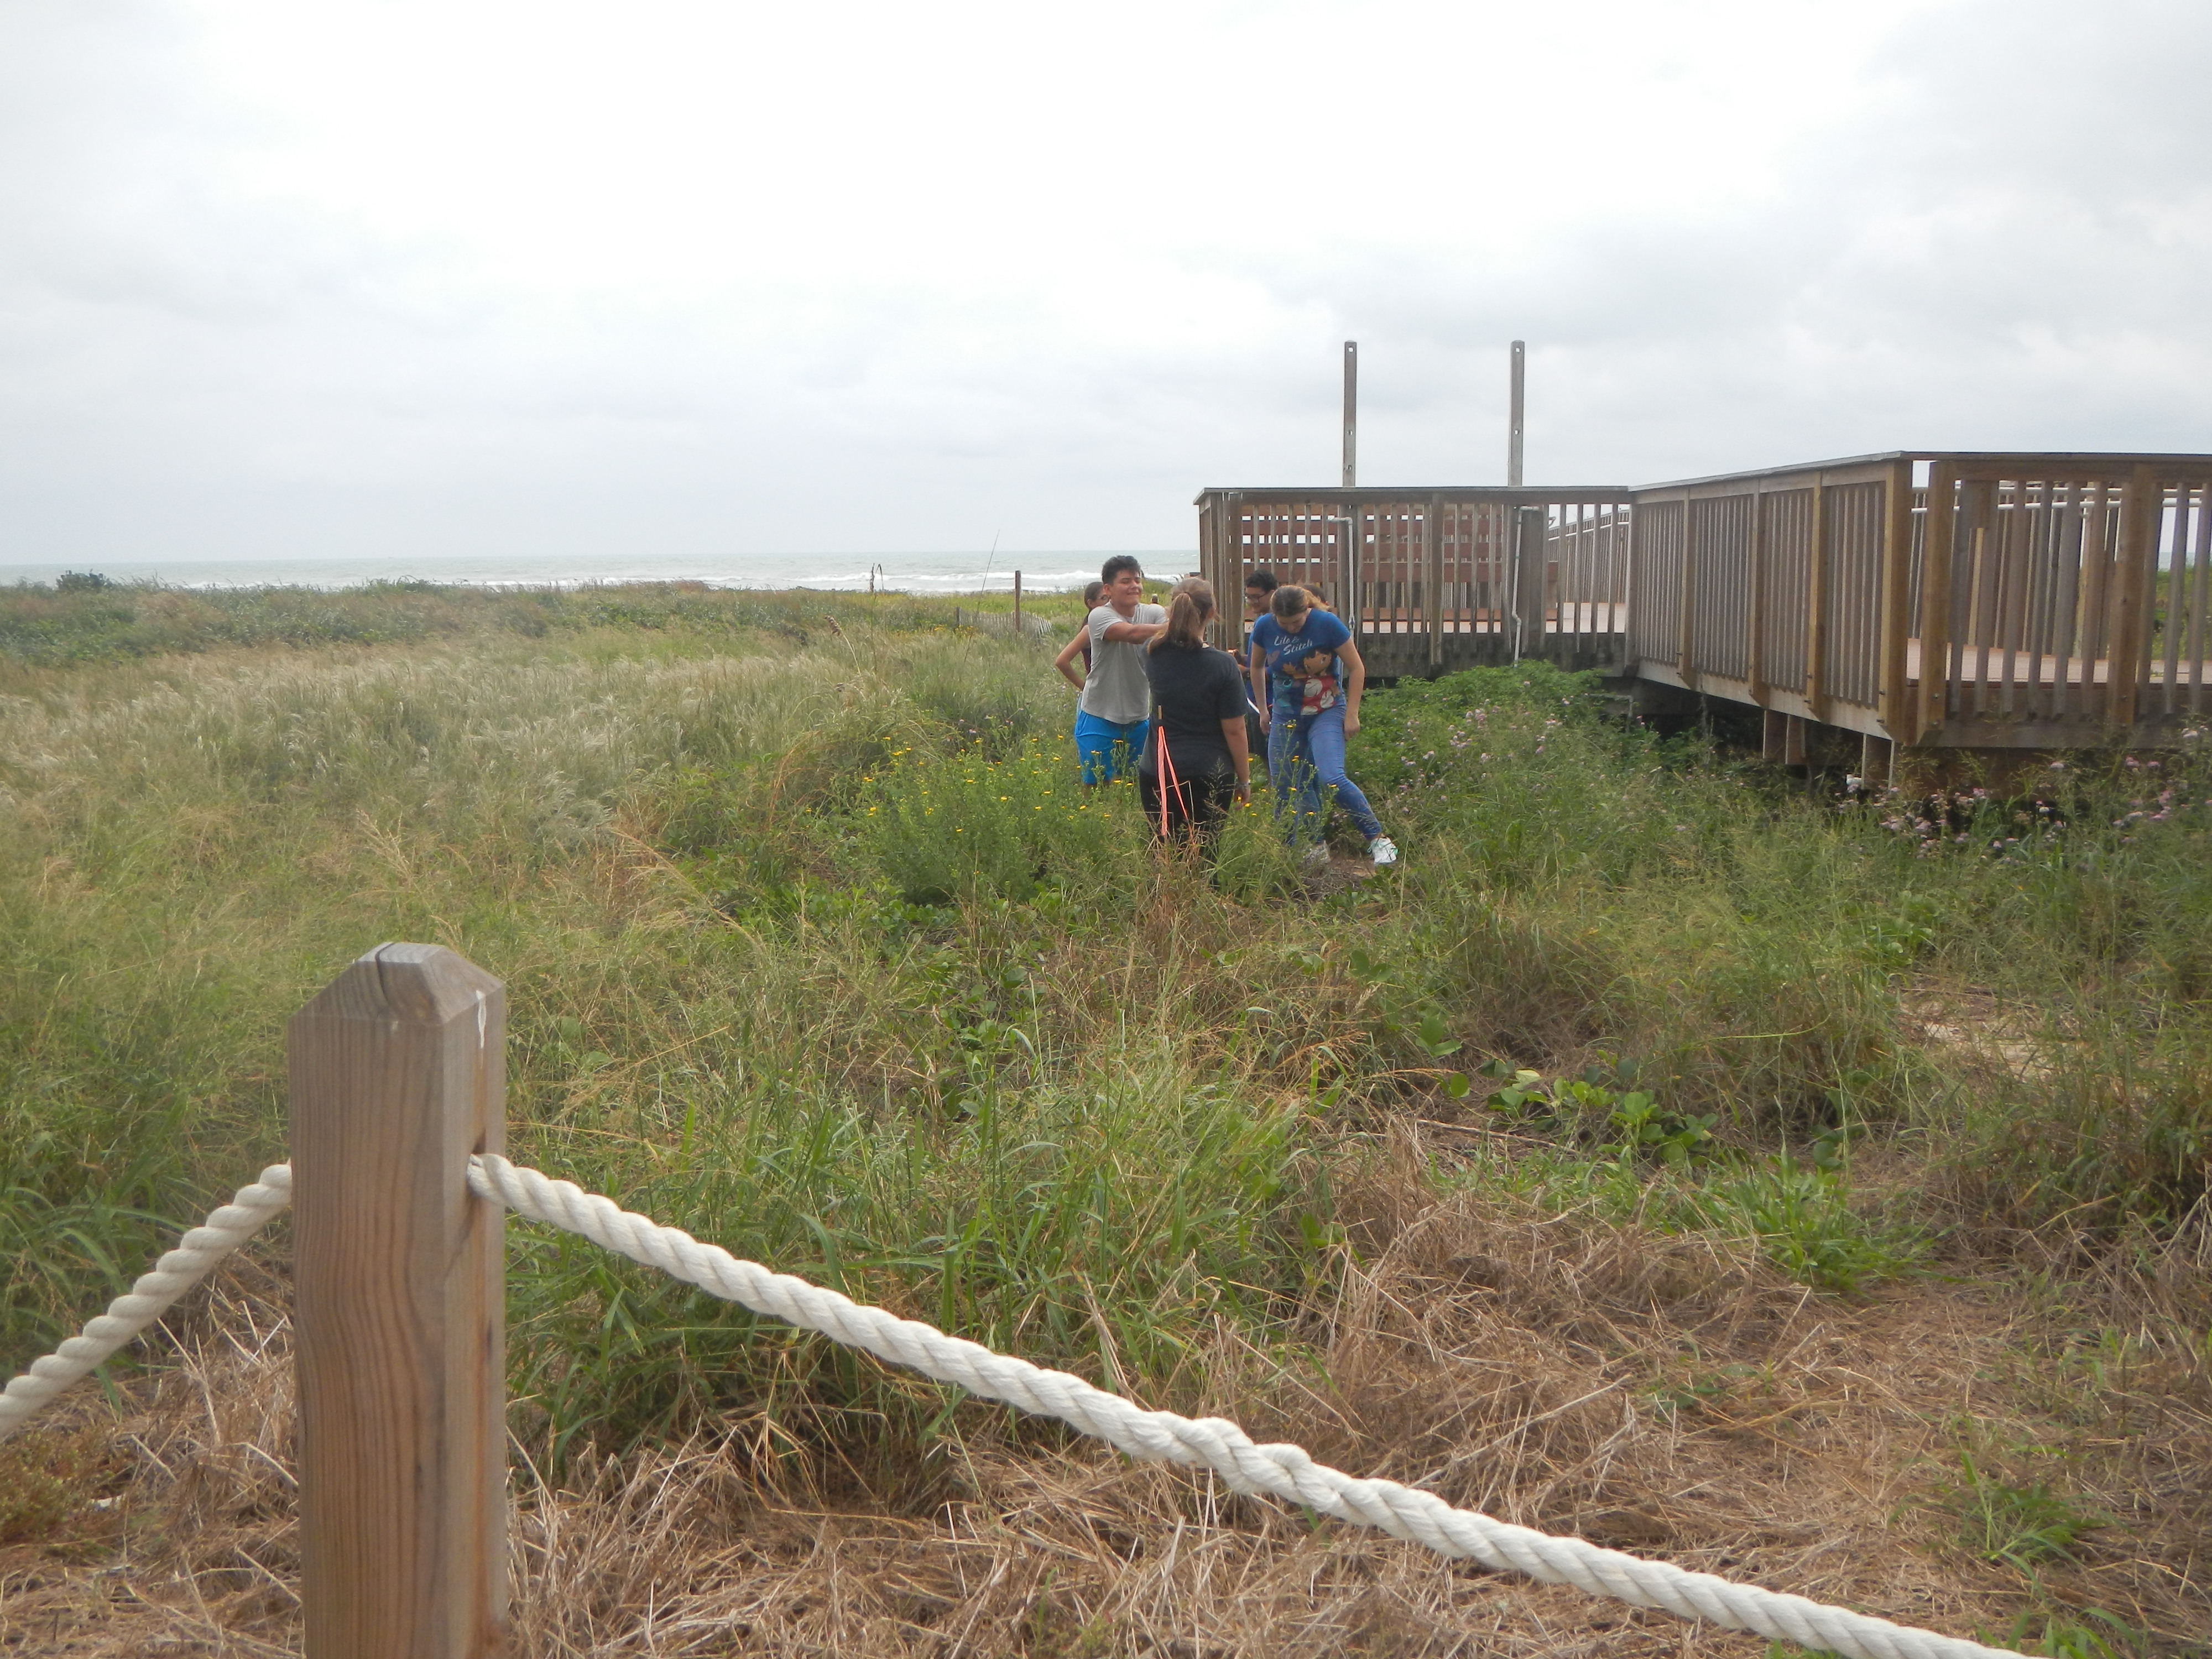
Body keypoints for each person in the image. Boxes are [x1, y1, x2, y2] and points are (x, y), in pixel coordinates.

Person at [1249, 583, 1398, 866]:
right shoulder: (1264, 627)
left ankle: (1379, 839)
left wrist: (1352, 714)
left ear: (1307, 609)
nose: (1292, 629)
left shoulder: (1327, 623)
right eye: (1285, 624)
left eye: (1297, 622)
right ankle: (1309, 844)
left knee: (1331, 777)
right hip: (1285, 715)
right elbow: (1256, 667)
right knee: (1287, 784)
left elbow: (1357, 668)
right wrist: (1262, 710)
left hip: (1326, 710)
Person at [1138, 578, 1250, 843]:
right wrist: (1244, 780)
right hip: (1210, 771)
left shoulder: (1151, 652)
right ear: (1211, 614)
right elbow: (1235, 730)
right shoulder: (1224, 665)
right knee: (1205, 851)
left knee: (1164, 849)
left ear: (1170, 611)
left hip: (1159, 767)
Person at [1070, 556, 1164, 784]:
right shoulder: (1100, 615)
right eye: (1126, 581)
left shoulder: (1154, 613)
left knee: (1135, 783)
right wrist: (1175, 627)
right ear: (1108, 589)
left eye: (1137, 580)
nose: (1134, 586)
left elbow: (1170, 633)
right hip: (1099, 714)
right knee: (1097, 785)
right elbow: (1131, 634)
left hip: (1138, 716)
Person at [1053, 580, 1108, 691]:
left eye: (1110, 597)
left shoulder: (1112, 625)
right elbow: (1062, 661)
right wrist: (1085, 689)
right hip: (1098, 697)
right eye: (1104, 598)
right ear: (1091, 603)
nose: (1109, 602)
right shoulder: (1090, 629)